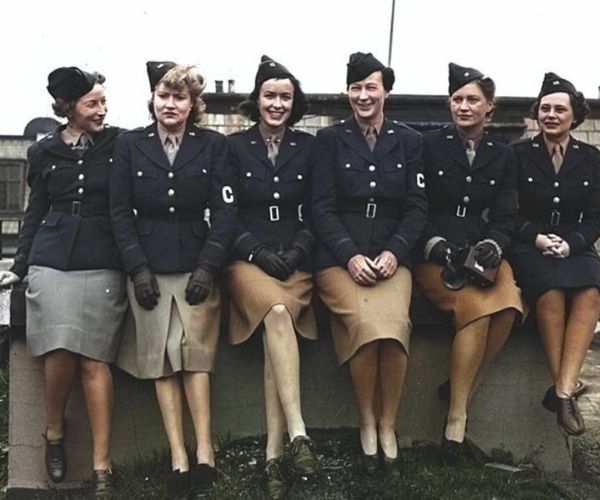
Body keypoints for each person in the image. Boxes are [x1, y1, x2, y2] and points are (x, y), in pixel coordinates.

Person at [109, 61, 236, 499]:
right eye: (163, 96)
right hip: (149, 267)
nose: (170, 104)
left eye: (179, 97)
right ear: (153, 100)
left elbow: (225, 212)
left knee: (195, 356)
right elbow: (119, 212)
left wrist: (209, 265)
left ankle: (205, 452)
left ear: (193, 104)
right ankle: (178, 456)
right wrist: (137, 269)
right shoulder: (130, 145)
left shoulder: (213, 146)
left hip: (196, 264)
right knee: (162, 359)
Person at [0, 67, 126, 495]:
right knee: (59, 351)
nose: (102, 111)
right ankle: (54, 432)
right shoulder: (44, 152)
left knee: (94, 360)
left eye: (104, 102)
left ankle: (102, 467)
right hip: (52, 259)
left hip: (103, 258)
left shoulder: (119, 144)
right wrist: (19, 267)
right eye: (93, 104)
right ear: (68, 107)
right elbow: (34, 214)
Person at [311, 52, 427, 473]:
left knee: (393, 327)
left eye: (371, 87)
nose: (363, 96)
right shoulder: (329, 140)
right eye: (356, 88)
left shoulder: (410, 141)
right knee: (364, 324)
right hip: (340, 259)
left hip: (392, 257)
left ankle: (388, 424)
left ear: (386, 92)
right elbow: (320, 207)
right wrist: (350, 255)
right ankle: (365, 421)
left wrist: (395, 251)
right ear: (347, 93)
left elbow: (417, 207)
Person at [413, 63, 523, 464]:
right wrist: (436, 245)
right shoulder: (427, 146)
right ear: (449, 104)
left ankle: (460, 388)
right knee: (476, 312)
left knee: (509, 305)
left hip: (484, 256)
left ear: (489, 107)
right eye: (457, 99)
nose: (464, 106)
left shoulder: (503, 155)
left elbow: (506, 213)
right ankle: (455, 429)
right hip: (437, 257)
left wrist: (496, 243)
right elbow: (415, 206)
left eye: (473, 99)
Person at [225, 55, 317, 500]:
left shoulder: (308, 148)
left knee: (274, 331)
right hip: (247, 263)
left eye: (285, 96)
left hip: (294, 262)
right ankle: (300, 431)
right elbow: (225, 215)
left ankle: (273, 456)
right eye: (269, 96)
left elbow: (318, 211)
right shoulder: (234, 148)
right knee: (276, 311)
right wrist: (256, 252)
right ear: (256, 99)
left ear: (293, 102)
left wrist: (298, 250)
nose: (277, 104)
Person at [509, 72, 600, 436]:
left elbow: (596, 215)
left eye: (559, 109)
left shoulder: (592, 158)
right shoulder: (517, 155)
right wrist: (536, 238)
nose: (550, 115)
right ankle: (564, 393)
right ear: (536, 114)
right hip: (531, 244)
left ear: (574, 115)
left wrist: (574, 243)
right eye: (544, 108)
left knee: (591, 292)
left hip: (574, 242)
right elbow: (508, 211)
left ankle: (562, 391)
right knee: (550, 293)